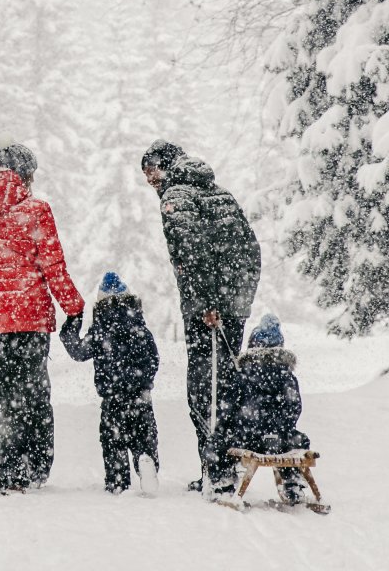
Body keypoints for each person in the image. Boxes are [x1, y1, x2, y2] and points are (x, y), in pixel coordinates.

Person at [0, 142, 86, 494]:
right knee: (33, 395)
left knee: (0, 397)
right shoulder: (36, 210)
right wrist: (74, 306)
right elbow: (53, 266)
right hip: (30, 320)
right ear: (25, 173)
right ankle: (37, 466)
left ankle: (10, 474)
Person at [140, 138, 261, 495]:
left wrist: (208, 304)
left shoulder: (177, 197)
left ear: (167, 165)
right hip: (232, 304)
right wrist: (238, 302)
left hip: (207, 310)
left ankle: (217, 471)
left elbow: (190, 254)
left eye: (151, 170)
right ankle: (224, 464)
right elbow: (250, 249)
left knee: (204, 389)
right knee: (226, 383)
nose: (149, 179)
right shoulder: (218, 192)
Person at [59, 272, 161, 495]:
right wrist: (145, 382)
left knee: (113, 440)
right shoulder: (140, 328)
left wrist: (70, 326)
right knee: (144, 435)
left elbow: (77, 351)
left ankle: (117, 481)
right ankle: (146, 461)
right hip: (140, 396)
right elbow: (154, 359)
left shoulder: (100, 331)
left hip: (112, 397)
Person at [219, 313, 312, 505]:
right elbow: (294, 408)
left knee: (218, 440)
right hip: (281, 441)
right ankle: (292, 482)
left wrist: (234, 424)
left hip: (246, 438)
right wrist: (279, 428)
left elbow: (227, 408)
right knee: (300, 440)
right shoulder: (286, 376)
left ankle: (222, 482)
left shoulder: (243, 374)